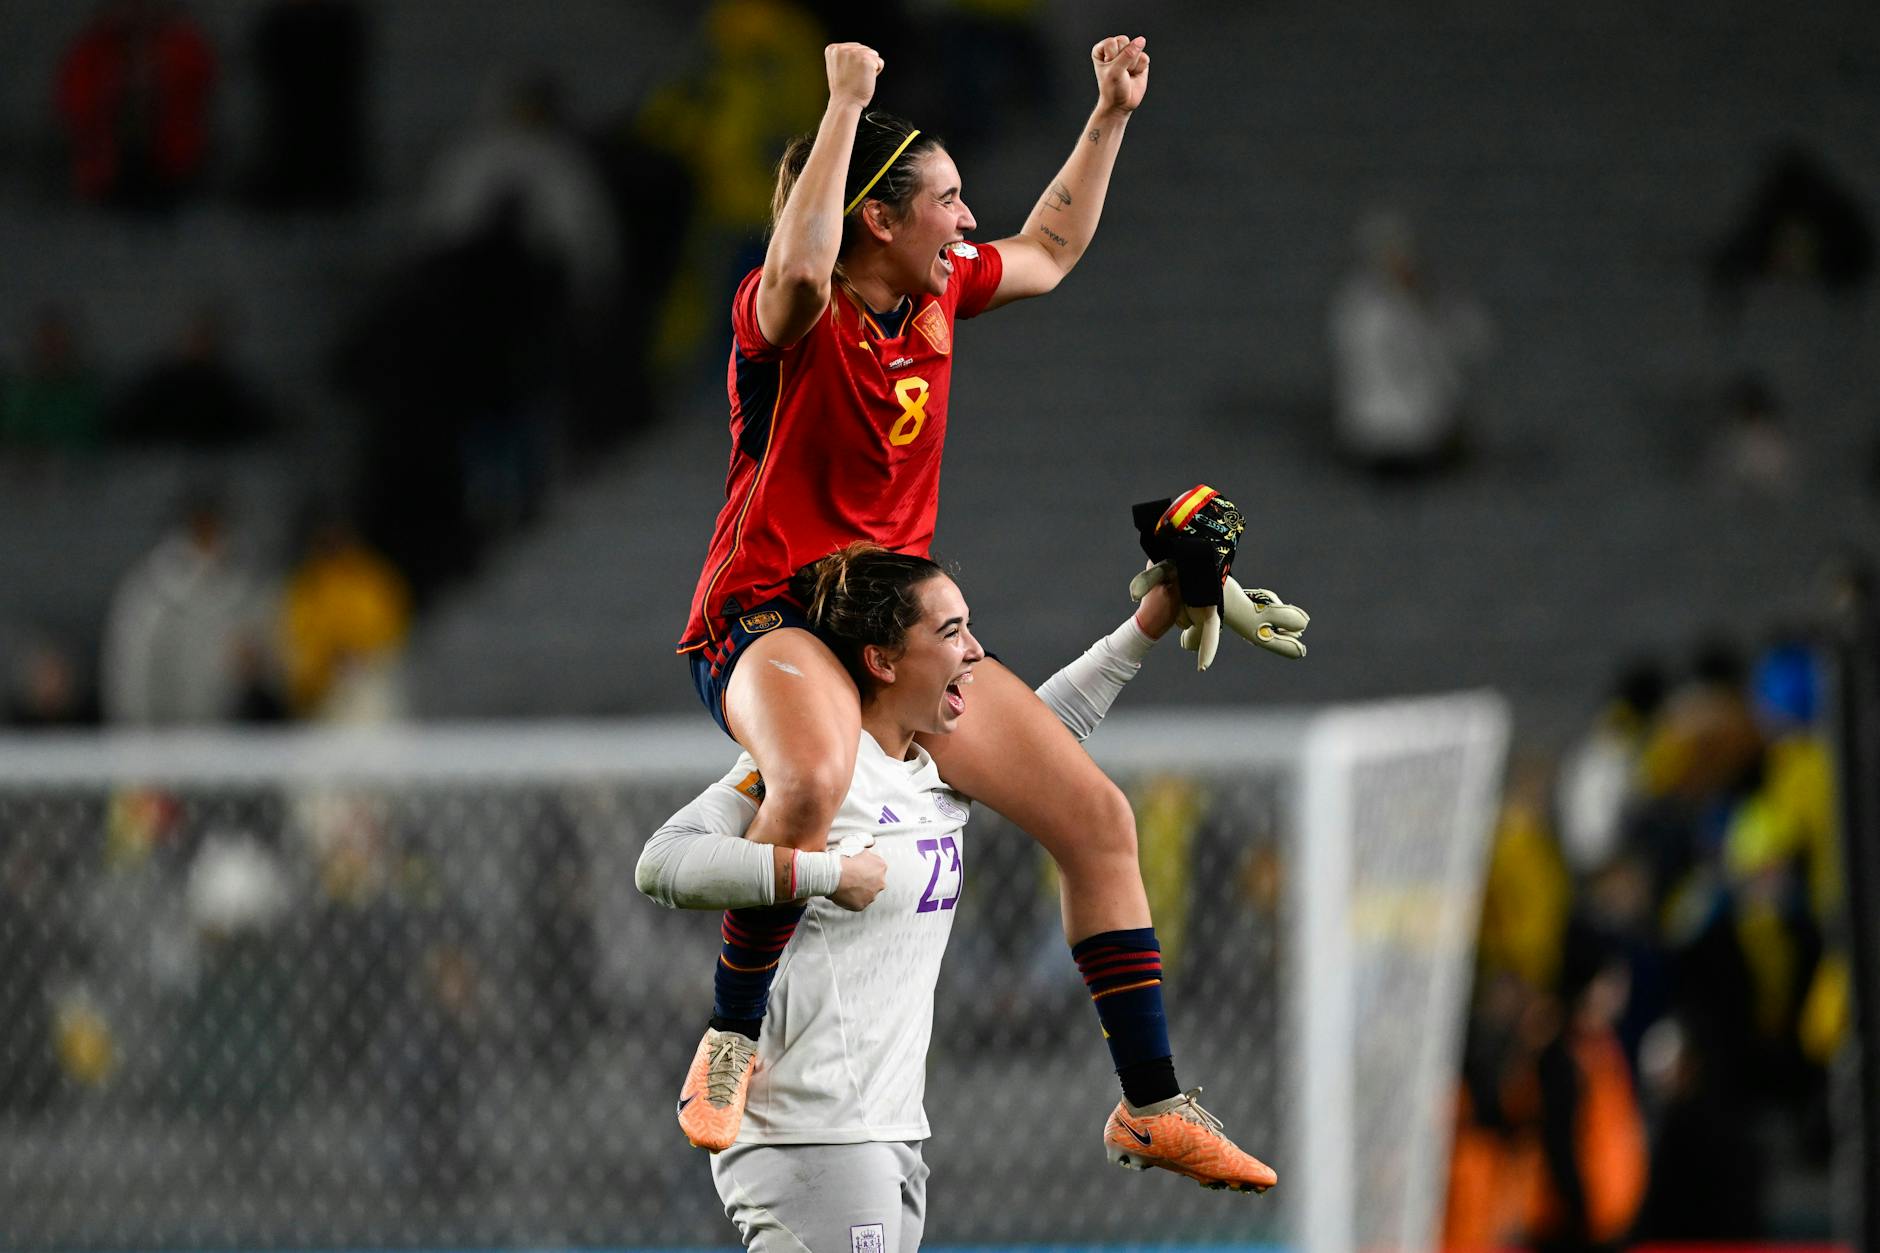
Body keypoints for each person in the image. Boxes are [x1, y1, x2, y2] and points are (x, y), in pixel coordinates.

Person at [672, 37, 1277, 1188]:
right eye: (945, 200)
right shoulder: (788, 311)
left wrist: (1108, 114)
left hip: (896, 627)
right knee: (811, 776)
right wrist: (846, 100)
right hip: (770, 618)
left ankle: (1150, 1101)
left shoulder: (938, 291)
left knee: (1096, 818)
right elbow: (800, 261)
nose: (967, 219)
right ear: (874, 221)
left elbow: (1050, 247)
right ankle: (729, 1035)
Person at [642, 547, 1277, 1250]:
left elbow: (1042, 732)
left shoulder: (923, 766)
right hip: (809, 1137)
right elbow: (663, 861)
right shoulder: (811, 770)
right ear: (883, 661)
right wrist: (827, 873)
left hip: (887, 1133)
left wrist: (1146, 626)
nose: (975, 650)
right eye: (950, 633)